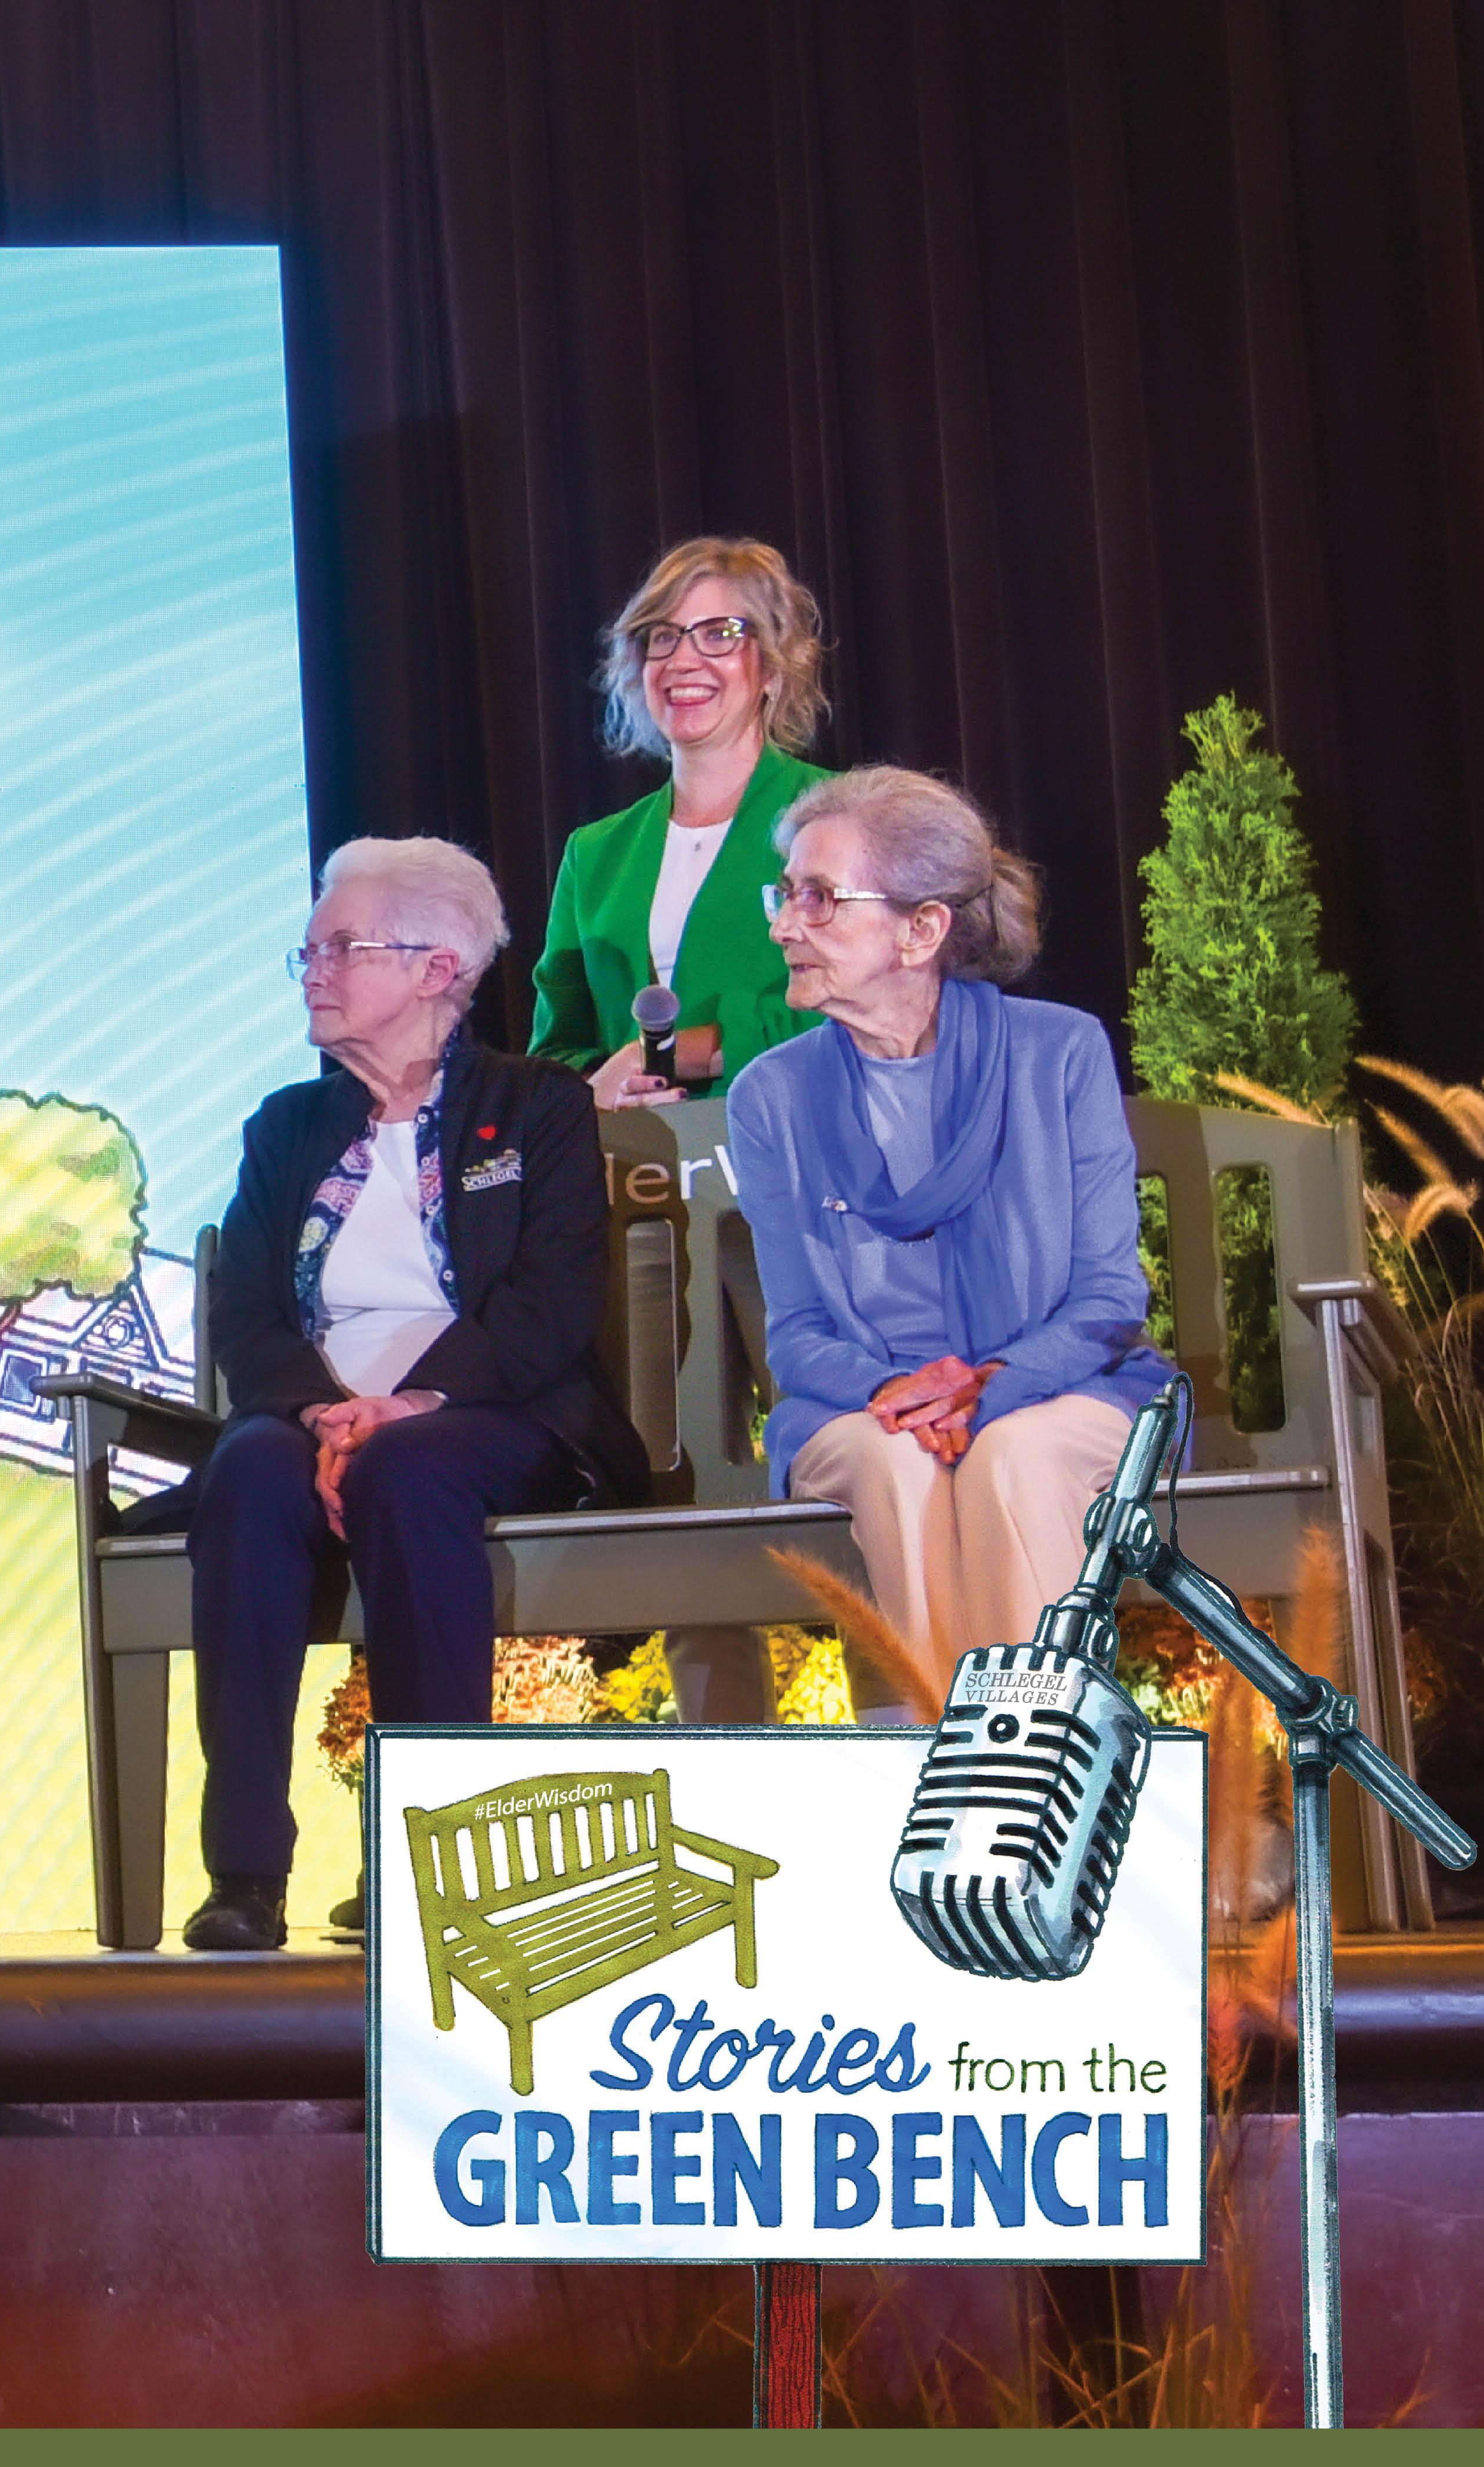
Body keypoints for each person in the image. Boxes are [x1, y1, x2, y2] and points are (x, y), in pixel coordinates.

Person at [180, 840, 648, 1953]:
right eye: (307, 951)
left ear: (439, 969)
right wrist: (323, 1412)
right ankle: (243, 1874)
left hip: (487, 1413)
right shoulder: (286, 1127)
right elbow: (245, 1310)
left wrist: (409, 1403)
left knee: (407, 1469)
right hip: (315, 1418)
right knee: (246, 1473)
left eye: (342, 948)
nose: (313, 970)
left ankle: (422, 1859)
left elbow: (550, 1303)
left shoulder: (535, 1108)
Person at [729, 768, 1174, 1712]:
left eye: (820, 899)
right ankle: (951, 1788)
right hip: (862, 1413)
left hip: (1066, 1388)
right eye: (786, 894)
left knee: (1012, 1456)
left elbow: (1107, 1301)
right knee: (903, 1466)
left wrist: (989, 1388)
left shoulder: (1059, 1053)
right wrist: (899, 1396)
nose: (782, 925)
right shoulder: (770, 1097)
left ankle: (1032, 1778)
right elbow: (801, 1336)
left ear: (922, 931)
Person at [532, 537, 837, 1109]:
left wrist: (665, 1054)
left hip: (802, 1144)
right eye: (662, 637)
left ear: (771, 664)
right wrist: (596, 1088)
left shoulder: (841, 816)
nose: (682, 660)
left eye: (718, 634)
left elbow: (872, 1003)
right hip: (636, 1169)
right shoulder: (594, 852)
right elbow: (558, 1049)